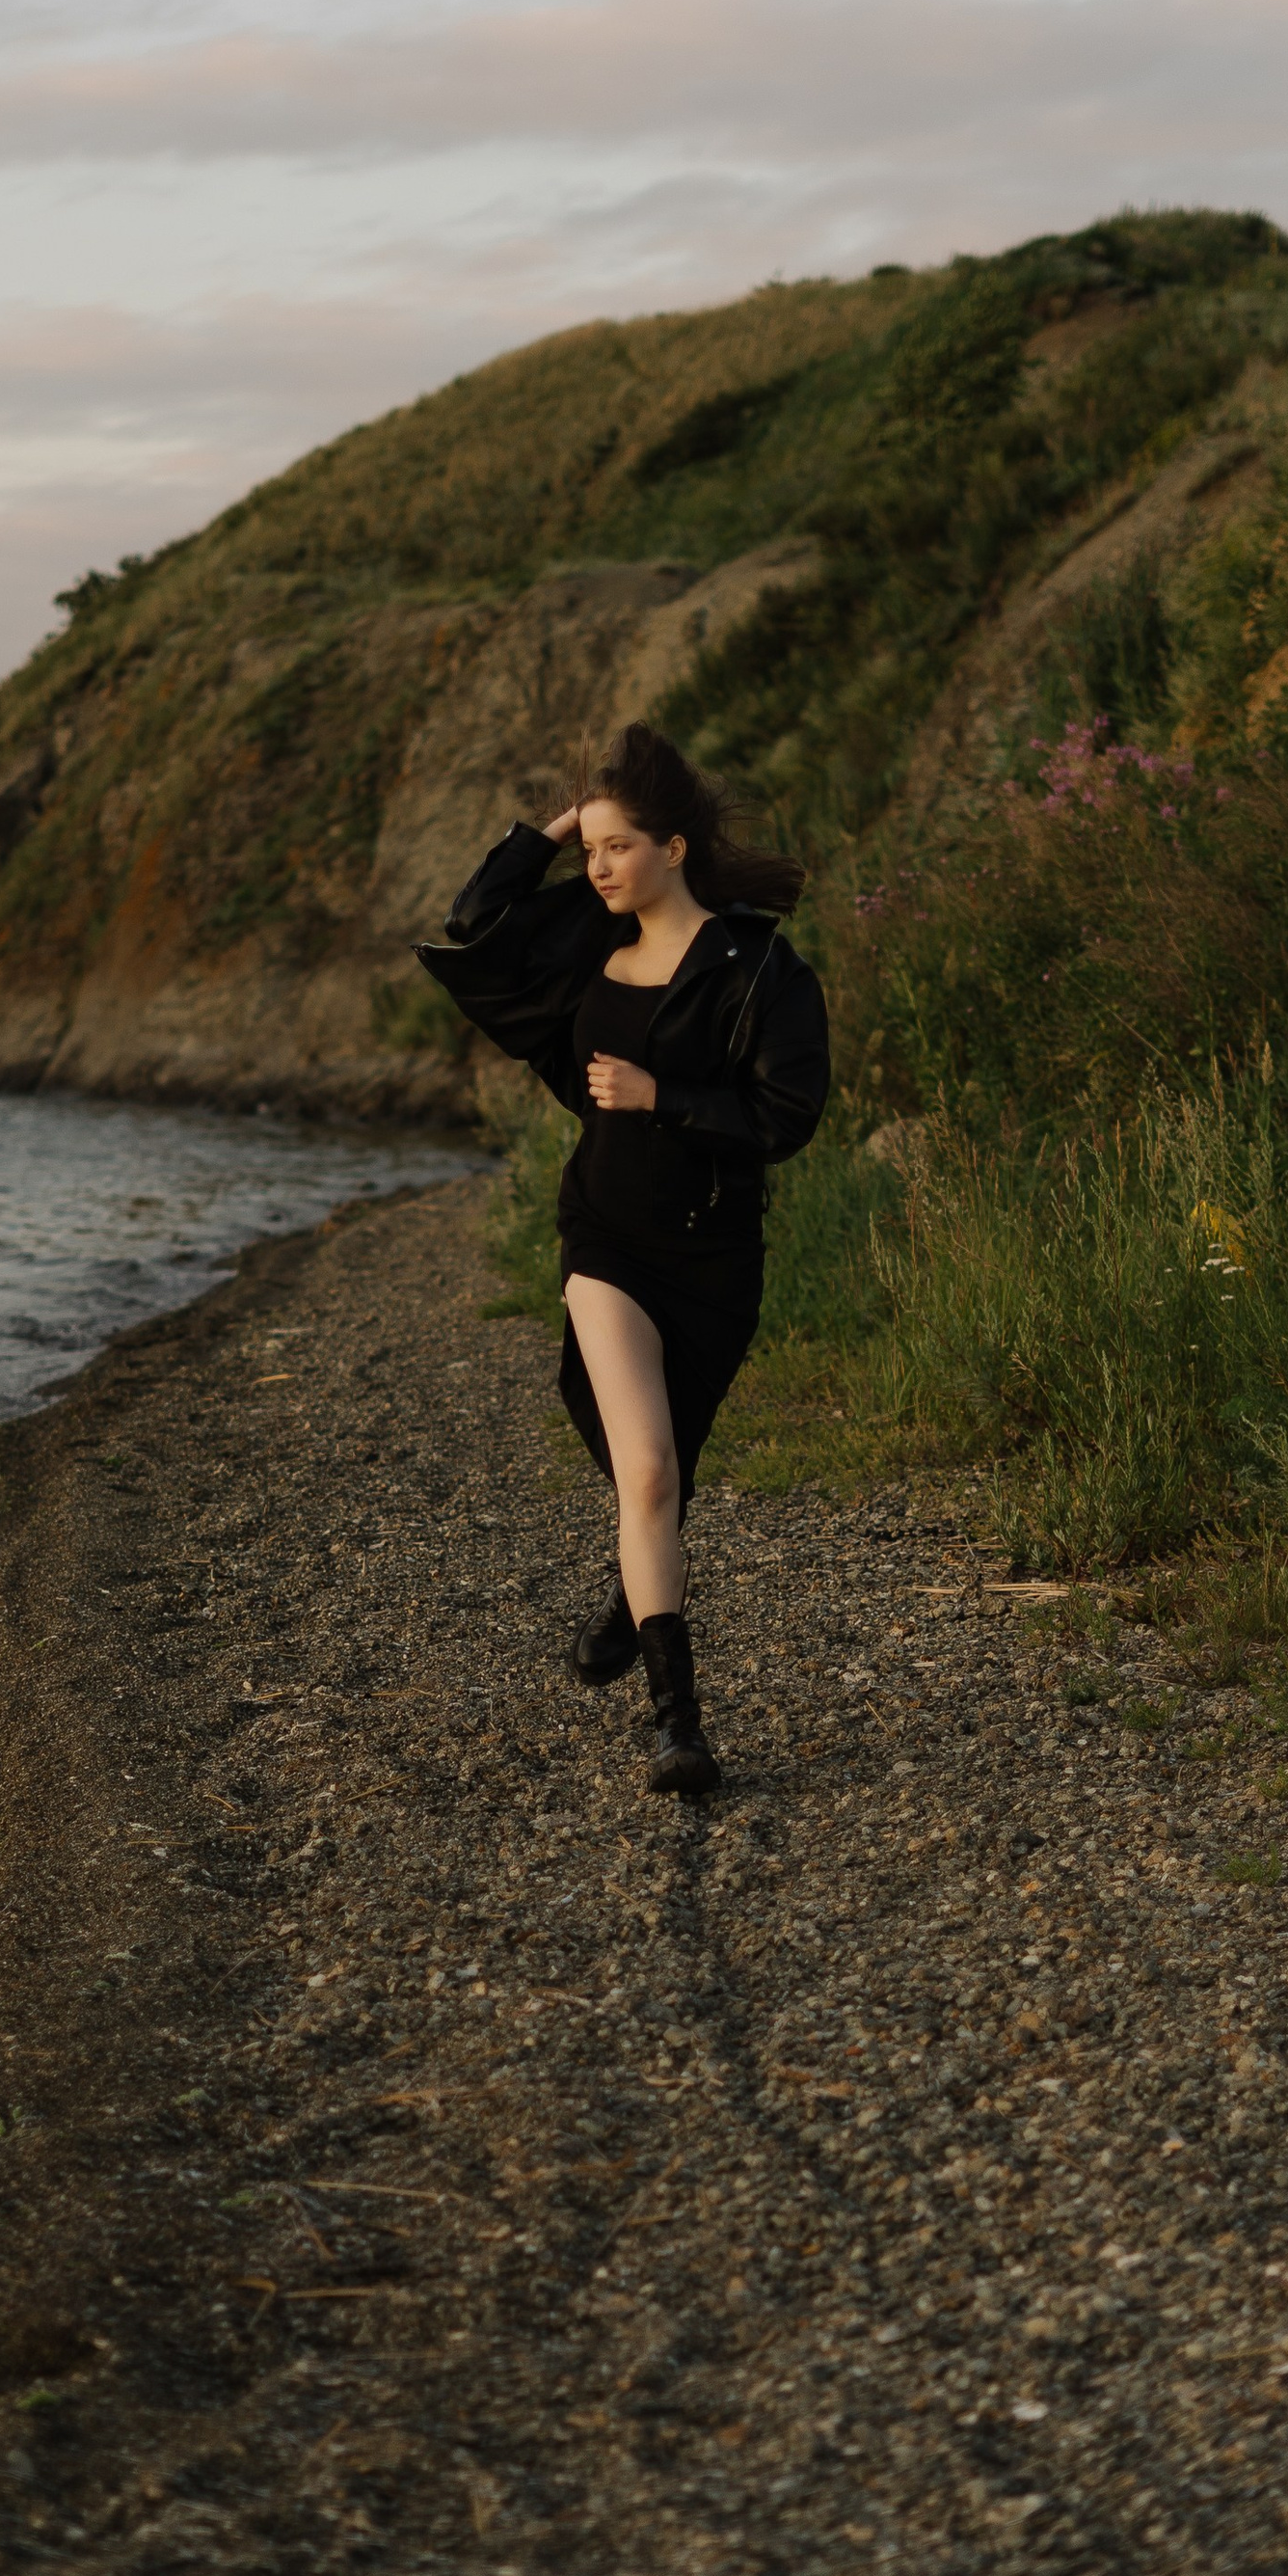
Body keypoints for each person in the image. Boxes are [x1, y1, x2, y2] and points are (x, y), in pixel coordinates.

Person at [416, 720, 830, 1795]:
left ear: (677, 849)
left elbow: (787, 1115)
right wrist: (557, 825)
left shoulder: (762, 970)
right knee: (644, 1471)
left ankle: (632, 1594)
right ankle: (677, 1726)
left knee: (661, 1484)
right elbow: (475, 925)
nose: (596, 868)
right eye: (587, 849)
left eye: (617, 847)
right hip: (604, 1239)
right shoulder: (584, 947)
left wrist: (665, 1100)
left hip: (712, 1257)